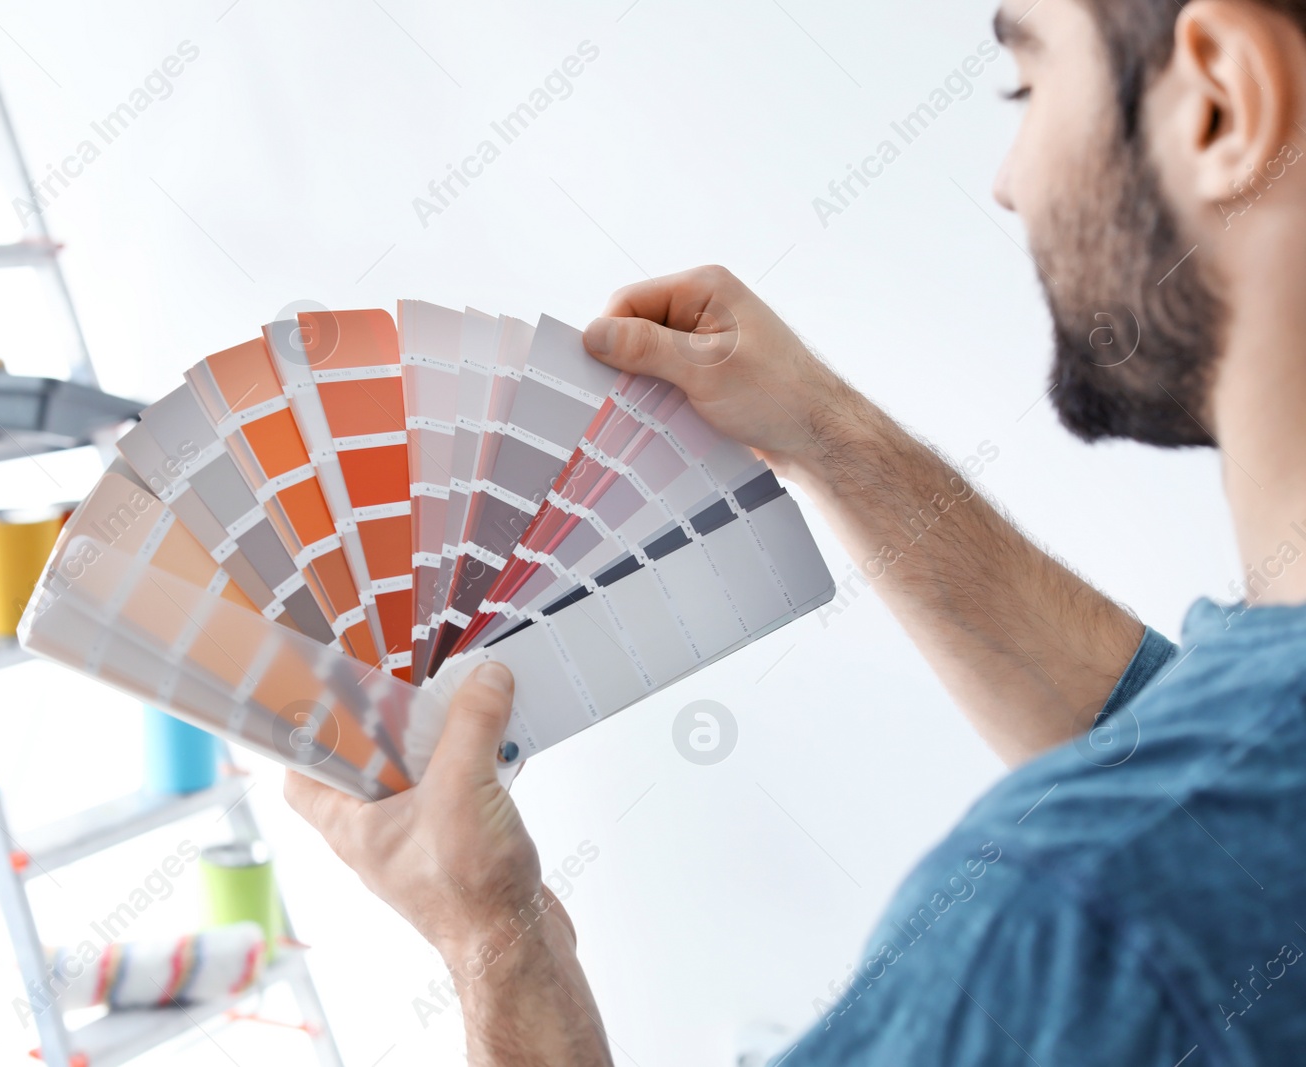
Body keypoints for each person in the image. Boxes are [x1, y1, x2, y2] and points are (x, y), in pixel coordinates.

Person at [285, 0, 1306, 1061]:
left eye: (1030, 82)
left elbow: (1166, 844)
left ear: (1222, 102)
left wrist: (489, 935)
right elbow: (1184, 760)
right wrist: (824, 433)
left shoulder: (1075, 925)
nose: (1005, 182)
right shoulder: (1209, 837)